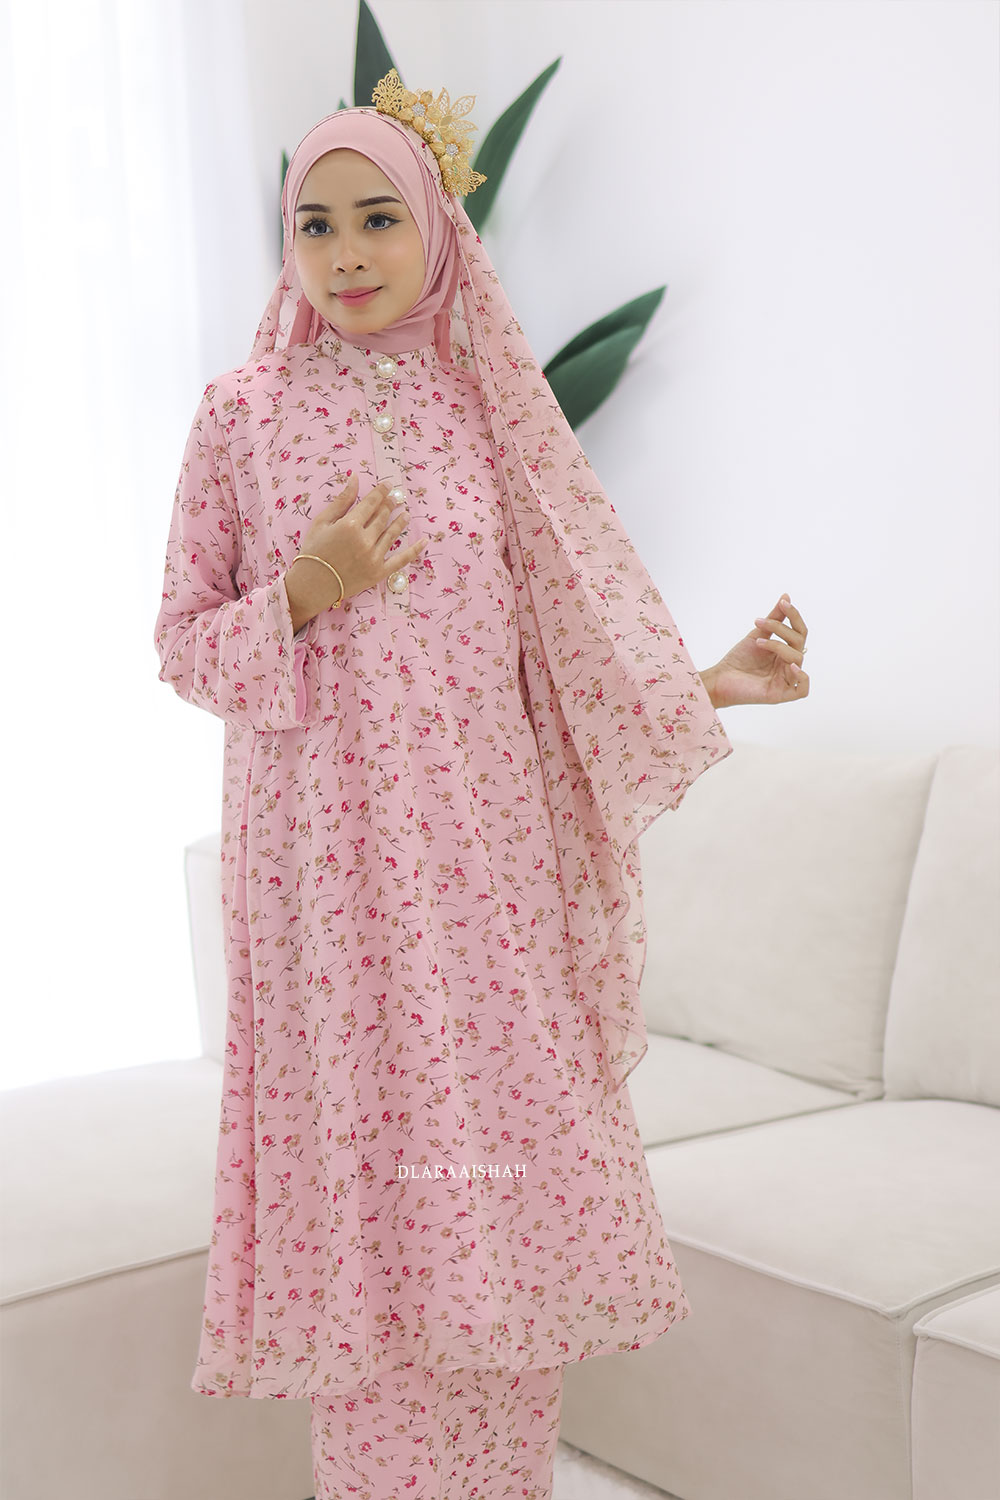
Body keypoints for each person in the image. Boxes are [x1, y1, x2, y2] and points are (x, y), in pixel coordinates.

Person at [153, 68, 809, 1500]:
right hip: (330, 888)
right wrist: (304, 591)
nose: (346, 253)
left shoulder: (484, 418)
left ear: (439, 229)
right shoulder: (241, 417)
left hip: (485, 885)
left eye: (378, 218)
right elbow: (182, 644)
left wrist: (707, 682)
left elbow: (555, 659)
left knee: (496, 1201)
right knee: (376, 1213)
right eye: (315, 224)